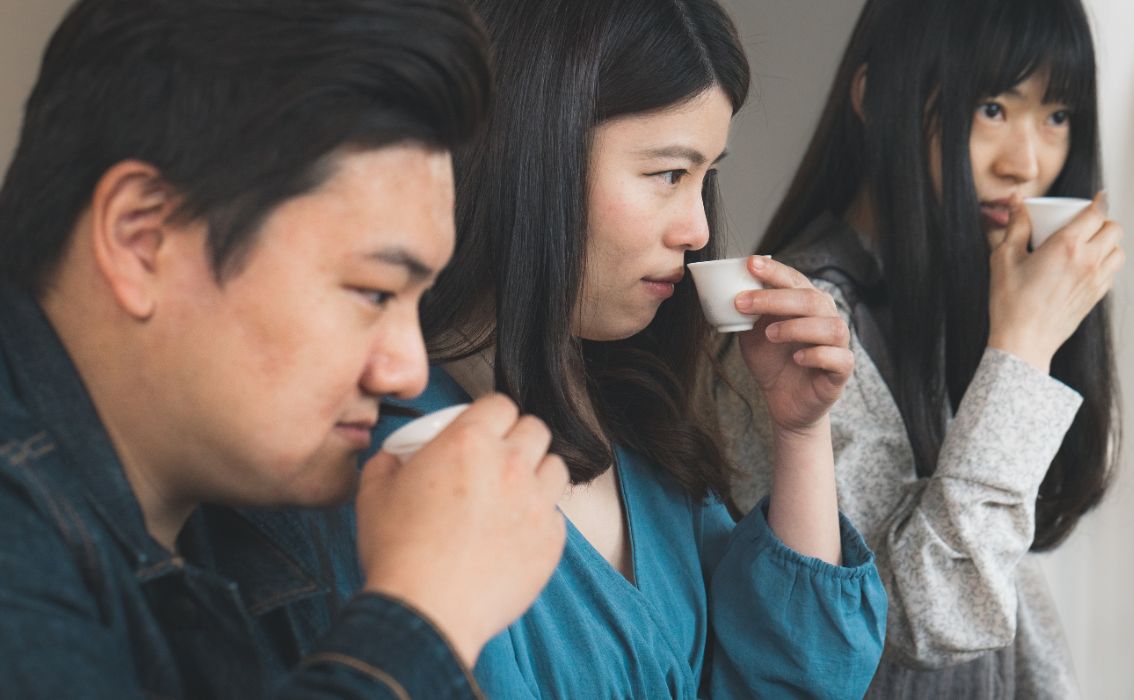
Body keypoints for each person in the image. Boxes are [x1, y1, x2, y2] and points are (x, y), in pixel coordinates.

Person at [0, 0, 568, 697]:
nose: (407, 370)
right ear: (140, 239)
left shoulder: (254, 498)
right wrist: (423, 615)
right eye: (373, 291)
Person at [370, 0, 888, 697]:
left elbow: (796, 680)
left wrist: (799, 432)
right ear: (533, 154)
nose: (700, 229)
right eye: (670, 174)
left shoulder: (637, 423)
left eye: (708, 178)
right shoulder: (399, 457)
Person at [716, 0, 1124, 697]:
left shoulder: (952, 297)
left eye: (1056, 115)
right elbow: (917, 619)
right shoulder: (795, 331)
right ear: (877, 98)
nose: (1026, 162)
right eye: (992, 107)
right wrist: (1023, 348)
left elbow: (1010, 602)